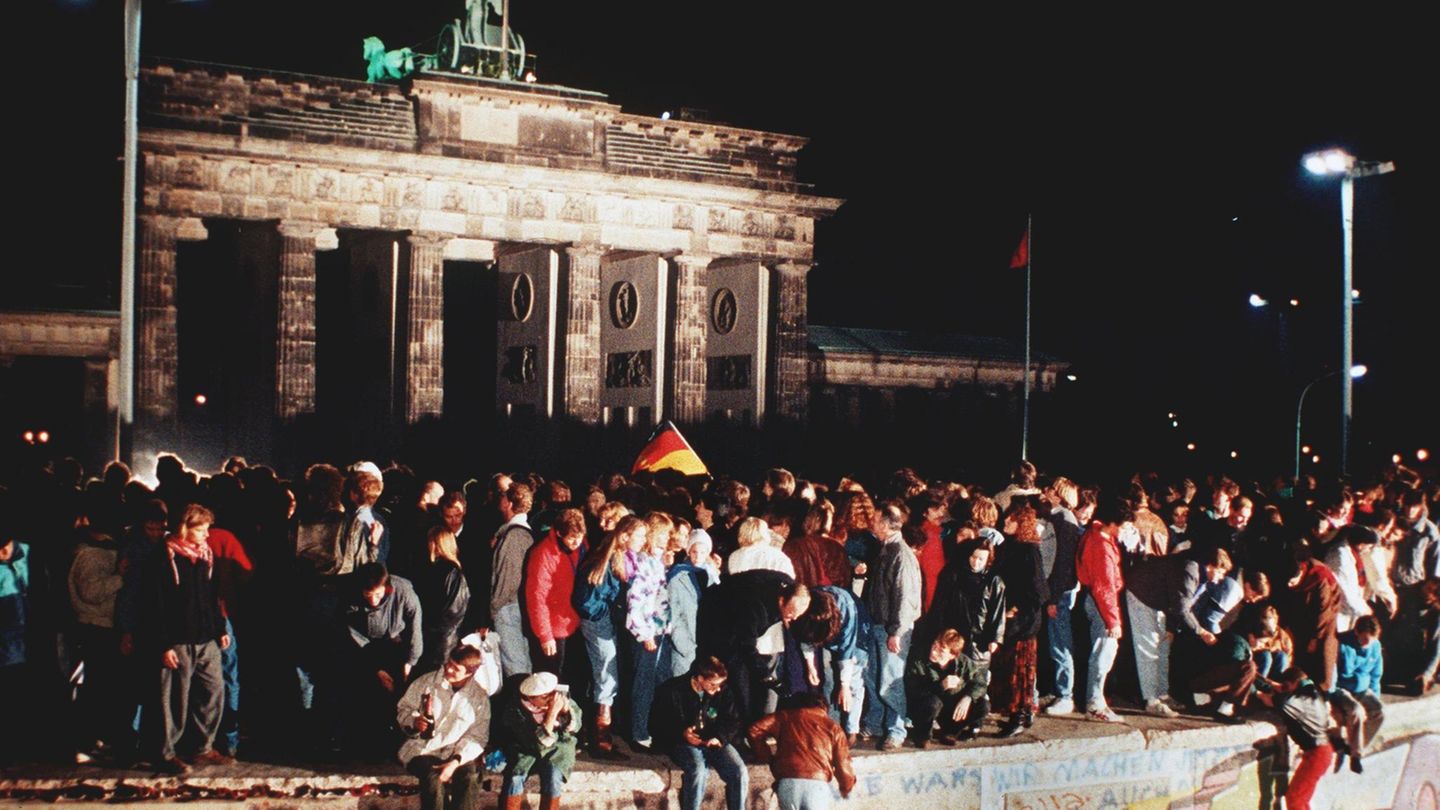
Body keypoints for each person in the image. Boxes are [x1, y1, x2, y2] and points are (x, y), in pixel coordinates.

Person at [142, 504, 231, 774]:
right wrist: (164, 644)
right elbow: (156, 604)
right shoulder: (163, 556)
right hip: (178, 639)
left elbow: (212, 596)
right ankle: (166, 753)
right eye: (200, 529)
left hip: (206, 638)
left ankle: (202, 747)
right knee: (173, 700)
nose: (206, 534)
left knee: (213, 691)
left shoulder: (205, 555)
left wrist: (220, 628)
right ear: (185, 528)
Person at [571, 515, 640, 759]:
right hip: (598, 623)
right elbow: (587, 600)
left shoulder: (620, 558)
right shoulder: (605, 559)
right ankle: (600, 736)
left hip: (606, 621)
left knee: (606, 673)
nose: (642, 541)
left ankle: (600, 731)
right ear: (624, 536)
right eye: (638, 536)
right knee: (606, 673)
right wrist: (608, 614)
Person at [395, 643, 492, 810]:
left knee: (472, 776)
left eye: (456, 669)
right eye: (449, 664)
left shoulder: (479, 698)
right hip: (422, 750)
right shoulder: (426, 682)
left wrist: (455, 761)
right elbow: (403, 709)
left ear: (470, 672)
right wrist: (413, 721)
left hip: (455, 752)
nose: (448, 670)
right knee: (434, 777)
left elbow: (477, 737)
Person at [859, 503, 921, 750]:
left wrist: (896, 631)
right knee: (874, 676)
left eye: (875, 520)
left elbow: (905, 596)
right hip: (879, 624)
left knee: (890, 679)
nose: (871, 524)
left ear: (885, 524)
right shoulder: (886, 549)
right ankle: (875, 723)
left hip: (892, 628)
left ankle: (896, 729)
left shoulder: (900, 554)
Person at [651, 657, 748, 810]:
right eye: (713, 684)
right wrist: (681, 733)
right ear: (700, 678)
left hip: (714, 740)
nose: (717, 689)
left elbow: (732, 721)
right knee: (698, 770)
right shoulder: (672, 690)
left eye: (720, 685)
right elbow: (658, 725)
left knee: (739, 771)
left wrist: (719, 738)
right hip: (682, 742)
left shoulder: (724, 691)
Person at [1074, 497, 1133, 722]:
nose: (1126, 530)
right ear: (1113, 523)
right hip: (1101, 603)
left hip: (1096, 600)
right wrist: (1113, 621)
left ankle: (1096, 700)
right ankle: (1095, 703)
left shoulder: (1098, 535)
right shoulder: (1100, 545)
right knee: (1103, 653)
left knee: (1101, 652)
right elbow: (1104, 587)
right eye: (1124, 525)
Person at [747, 692, 857, 810]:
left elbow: (754, 730)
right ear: (824, 707)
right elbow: (843, 763)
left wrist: (767, 757)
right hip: (817, 786)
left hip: (787, 784)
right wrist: (846, 786)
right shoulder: (832, 727)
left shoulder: (784, 717)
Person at [495, 671, 582, 810]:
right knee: (515, 777)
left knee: (553, 777)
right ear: (530, 698)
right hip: (526, 748)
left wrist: (566, 713)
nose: (552, 699)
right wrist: (552, 714)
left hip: (557, 749)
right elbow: (537, 741)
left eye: (553, 693)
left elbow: (576, 726)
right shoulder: (515, 711)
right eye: (545, 696)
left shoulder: (562, 700)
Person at [1255, 668, 1333, 810]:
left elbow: (1271, 700)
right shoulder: (1312, 691)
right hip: (1321, 752)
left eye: (1286, 686)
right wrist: (1266, 682)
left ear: (1295, 683)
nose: (1284, 689)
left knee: (1295, 799)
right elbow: (1284, 690)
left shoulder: (1298, 700)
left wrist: (1254, 691)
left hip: (1317, 754)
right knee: (1301, 799)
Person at [524, 509, 585, 676]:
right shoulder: (543, 554)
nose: (577, 542)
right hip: (553, 628)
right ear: (559, 533)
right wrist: (545, 635)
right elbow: (536, 597)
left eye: (579, 537)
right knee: (550, 678)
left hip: (574, 624)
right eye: (572, 538)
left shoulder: (582, 546)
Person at [905, 629, 988, 746]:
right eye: (934, 644)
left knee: (983, 705)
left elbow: (980, 683)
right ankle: (922, 735)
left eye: (941, 650)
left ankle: (950, 732)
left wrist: (968, 697)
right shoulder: (919, 659)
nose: (934, 651)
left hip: (948, 708)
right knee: (933, 703)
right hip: (924, 707)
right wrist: (940, 686)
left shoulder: (963, 662)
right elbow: (912, 690)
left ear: (952, 655)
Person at [1331, 615, 1385, 774]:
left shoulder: (1375, 646)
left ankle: (1354, 747)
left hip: (1362, 688)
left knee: (1380, 712)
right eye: (1364, 640)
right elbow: (1332, 675)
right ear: (1356, 632)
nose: (1367, 645)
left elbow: (1376, 675)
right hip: (1342, 688)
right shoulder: (1341, 644)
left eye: (1371, 640)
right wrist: (1330, 697)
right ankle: (1356, 755)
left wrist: (1375, 697)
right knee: (1356, 711)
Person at [418, 527, 471, 674]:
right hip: (441, 637)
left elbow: (453, 611)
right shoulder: (447, 570)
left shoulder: (448, 571)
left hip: (442, 640)